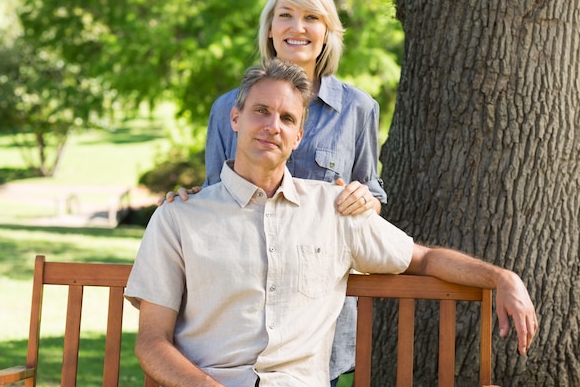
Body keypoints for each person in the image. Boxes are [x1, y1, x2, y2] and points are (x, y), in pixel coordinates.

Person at [126, 58, 538, 387]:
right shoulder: (179, 218)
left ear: (299, 136)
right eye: (261, 112)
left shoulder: (334, 210)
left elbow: (424, 259)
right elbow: (151, 341)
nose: (272, 126)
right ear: (235, 119)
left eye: (287, 119)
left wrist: (502, 277)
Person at [164, 0, 385, 385]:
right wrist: (188, 199)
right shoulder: (226, 109)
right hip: (235, 314)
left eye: (311, 18)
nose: (297, 27)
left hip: (314, 321)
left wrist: (366, 200)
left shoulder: (357, 109)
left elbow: (372, 192)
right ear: (269, 28)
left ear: (326, 34)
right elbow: (218, 199)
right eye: (285, 15)